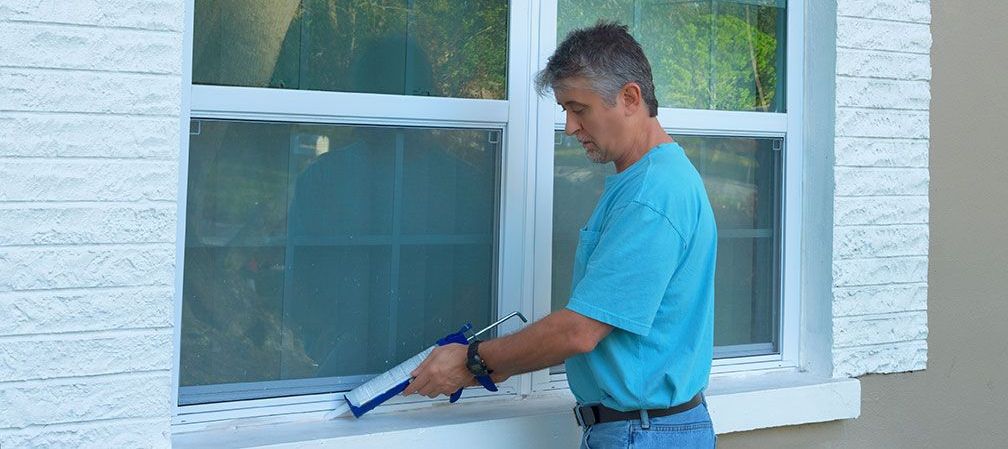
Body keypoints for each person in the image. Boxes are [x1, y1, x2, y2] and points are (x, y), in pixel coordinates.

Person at [404, 22, 718, 448]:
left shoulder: (653, 196)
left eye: (579, 108)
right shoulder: (647, 181)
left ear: (630, 98)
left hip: (644, 433)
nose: (570, 127)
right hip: (644, 428)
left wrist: (473, 361)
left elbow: (579, 331)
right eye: (565, 110)